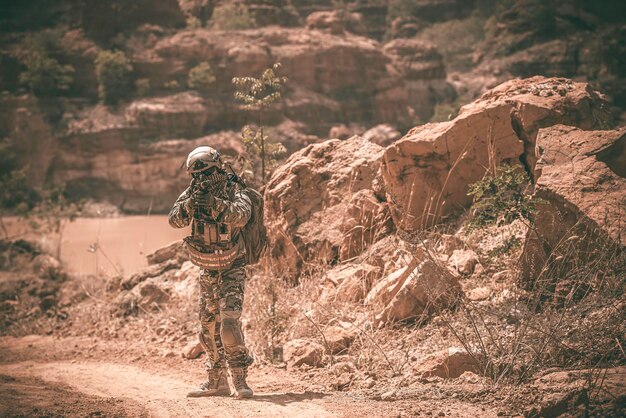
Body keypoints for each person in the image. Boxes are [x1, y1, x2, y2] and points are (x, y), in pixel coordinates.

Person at [168, 146, 254, 399]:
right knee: (208, 327)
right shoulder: (192, 193)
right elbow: (174, 220)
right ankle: (216, 382)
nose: (202, 179)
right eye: (196, 175)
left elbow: (242, 216)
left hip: (232, 267)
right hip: (207, 267)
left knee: (229, 323)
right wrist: (191, 205)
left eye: (206, 173)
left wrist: (216, 205)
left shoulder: (234, 188)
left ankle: (240, 381)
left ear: (217, 168)